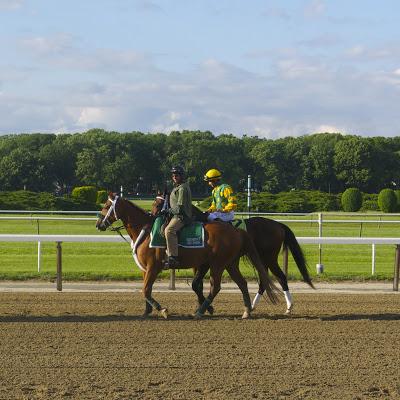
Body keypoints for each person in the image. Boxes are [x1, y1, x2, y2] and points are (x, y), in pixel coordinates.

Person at [163, 165, 193, 268]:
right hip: (176, 215)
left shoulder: (182, 188)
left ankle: (173, 258)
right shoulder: (178, 187)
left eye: (177, 175)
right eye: (173, 175)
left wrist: (168, 210)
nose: (174, 177)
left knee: (169, 230)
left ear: (182, 176)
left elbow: (180, 208)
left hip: (182, 217)